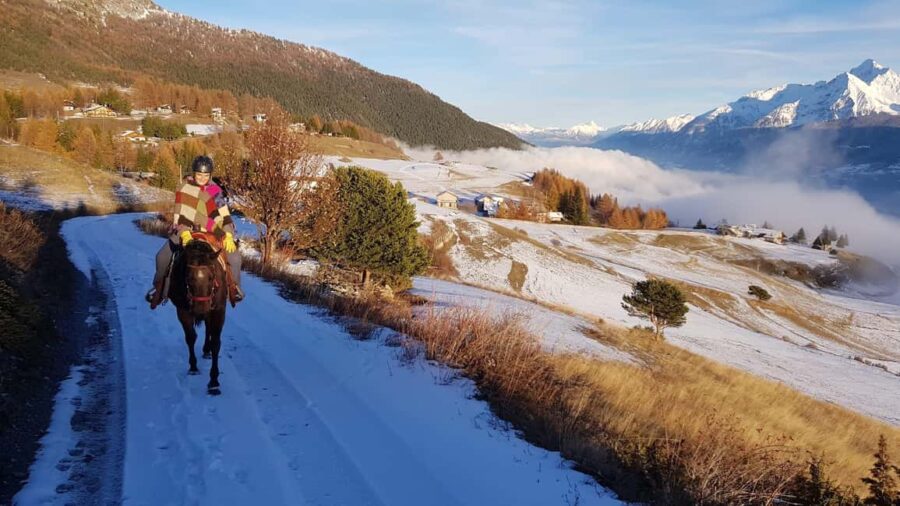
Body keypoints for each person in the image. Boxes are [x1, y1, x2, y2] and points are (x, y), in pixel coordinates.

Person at [146, 155, 244, 308]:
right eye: (199, 174)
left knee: (236, 258)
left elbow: (224, 215)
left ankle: (233, 288)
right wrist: (184, 231)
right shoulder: (184, 188)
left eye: (206, 175)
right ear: (193, 173)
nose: (202, 178)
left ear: (210, 175)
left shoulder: (215, 190)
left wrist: (229, 234)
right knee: (161, 257)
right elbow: (180, 215)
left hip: (212, 232)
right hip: (186, 230)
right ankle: (158, 289)